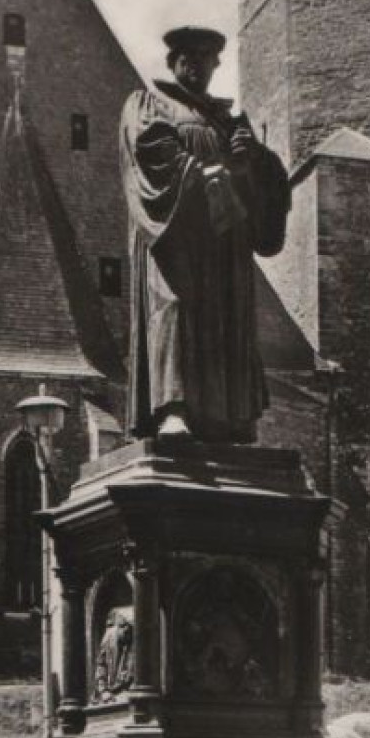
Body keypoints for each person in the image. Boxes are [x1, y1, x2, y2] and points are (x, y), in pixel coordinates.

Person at [120, 25, 290, 443]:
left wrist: (253, 160)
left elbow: (268, 183)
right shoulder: (149, 103)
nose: (195, 66)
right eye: (186, 58)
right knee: (174, 308)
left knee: (227, 316)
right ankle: (172, 409)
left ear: (216, 65)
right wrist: (200, 171)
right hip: (175, 233)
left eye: (204, 59)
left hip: (224, 240)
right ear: (172, 63)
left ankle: (229, 414)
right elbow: (150, 150)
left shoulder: (228, 122)